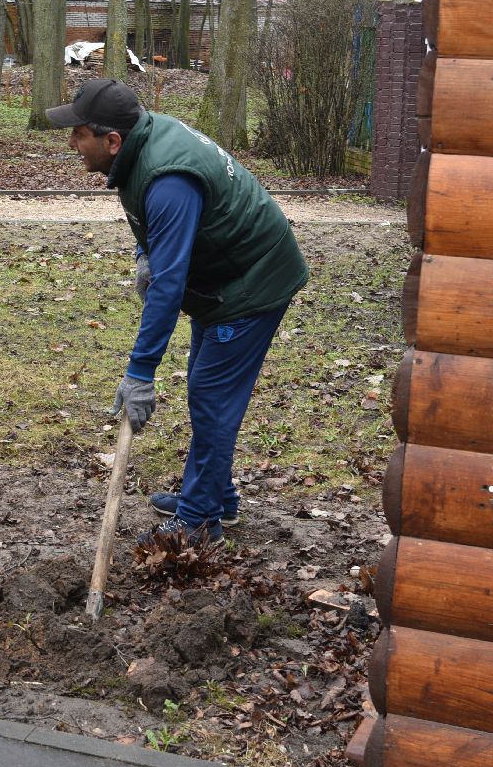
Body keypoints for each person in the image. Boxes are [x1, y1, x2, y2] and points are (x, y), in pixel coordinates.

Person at [40, 77, 309, 544]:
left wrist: (140, 371)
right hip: (224, 277)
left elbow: (170, 284)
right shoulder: (144, 146)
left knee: (211, 394)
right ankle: (213, 498)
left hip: (252, 281)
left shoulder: (167, 179)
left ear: (112, 140)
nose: (71, 142)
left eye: (79, 133)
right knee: (207, 388)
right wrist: (146, 254)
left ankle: (201, 520)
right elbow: (160, 243)